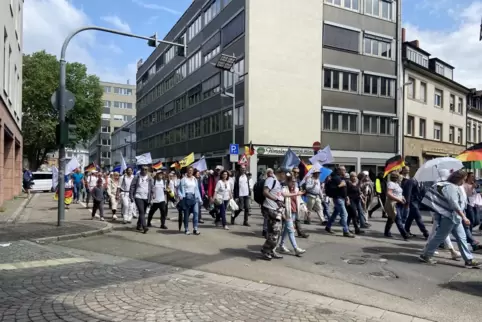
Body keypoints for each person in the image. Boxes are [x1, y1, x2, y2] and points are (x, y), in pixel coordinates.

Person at [420, 170, 480, 268]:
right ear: (459, 179)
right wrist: (464, 217)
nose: (464, 181)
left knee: (462, 238)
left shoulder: (453, 187)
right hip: (450, 217)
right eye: (463, 179)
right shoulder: (450, 187)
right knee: (440, 237)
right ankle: (426, 255)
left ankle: (469, 259)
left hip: (455, 217)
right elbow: (454, 204)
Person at [261, 168, 286, 260]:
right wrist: (276, 200)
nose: (285, 177)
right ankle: (266, 249)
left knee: (274, 231)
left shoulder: (277, 182)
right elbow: (265, 192)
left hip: (276, 209)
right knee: (276, 231)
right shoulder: (271, 180)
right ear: (281, 173)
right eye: (285, 174)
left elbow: (279, 194)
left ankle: (271, 250)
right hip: (269, 208)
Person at [277, 176, 306, 256]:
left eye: (295, 181)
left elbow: (299, 200)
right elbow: (284, 194)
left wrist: (304, 207)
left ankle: (281, 245)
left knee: (286, 230)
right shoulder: (284, 188)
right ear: (288, 182)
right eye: (292, 181)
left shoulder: (296, 189)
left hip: (294, 212)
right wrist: (296, 194)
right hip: (287, 213)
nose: (294, 183)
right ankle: (296, 248)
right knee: (291, 230)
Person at [325, 166, 354, 238]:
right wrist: (339, 185)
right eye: (343, 170)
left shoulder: (340, 178)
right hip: (338, 199)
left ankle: (328, 226)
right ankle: (346, 231)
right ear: (339, 171)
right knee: (345, 214)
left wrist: (346, 197)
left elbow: (344, 189)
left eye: (345, 169)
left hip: (341, 198)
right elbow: (332, 188)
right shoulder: (336, 178)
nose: (345, 171)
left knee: (335, 213)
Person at [384, 172, 409, 240]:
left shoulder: (396, 184)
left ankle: (386, 232)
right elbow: (389, 194)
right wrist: (398, 199)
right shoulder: (391, 184)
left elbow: (398, 193)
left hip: (399, 203)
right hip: (394, 203)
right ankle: (405, 234)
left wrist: (402, 197)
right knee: (398, 219)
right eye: (397, 177)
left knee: (391, 218)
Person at [178, 166, 203, 235]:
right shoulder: (183, 179)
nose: (190, 172)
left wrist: (200, 199)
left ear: (193, 172)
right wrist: (180, 196)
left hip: (194, 197)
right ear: (187, 171)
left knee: (196, 213)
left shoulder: (195, 179)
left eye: (191, 170)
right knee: (186, 214)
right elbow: (179, 189)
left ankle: (195, 228)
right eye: (189, 170)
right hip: (186, 197)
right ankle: (186, 229)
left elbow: (197, 189)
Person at [129, 165, 153, 234]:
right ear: (141, 170)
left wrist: (152, 195)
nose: (144, 171)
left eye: (146, 169)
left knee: (143, 212)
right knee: (141, 211)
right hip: (138, 196)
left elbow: (152, 187)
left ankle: (138, 225)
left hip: (146, 197)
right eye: (143, 169)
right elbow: (132, 186)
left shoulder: (149, 178)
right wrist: (131, 196)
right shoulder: (137, 177)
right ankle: (144, 227)